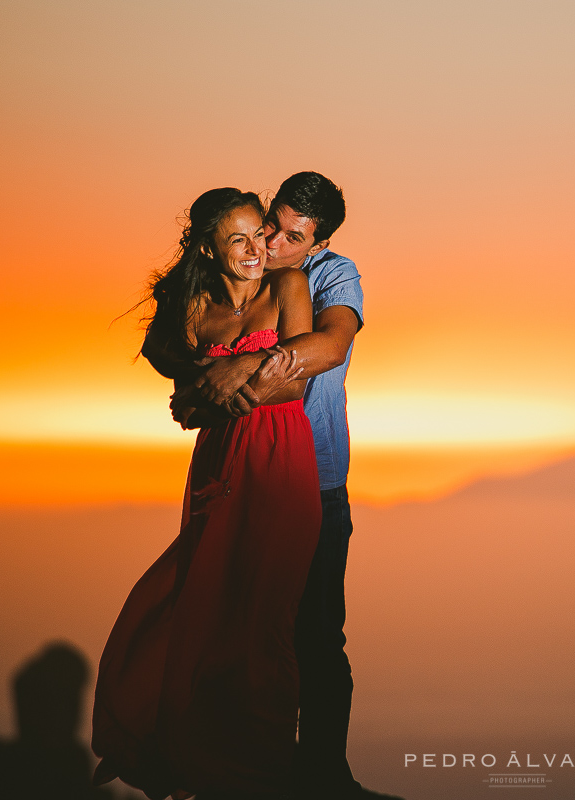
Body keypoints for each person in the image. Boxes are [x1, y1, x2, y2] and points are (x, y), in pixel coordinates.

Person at [92, 188, 320, 799]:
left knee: (266, 619)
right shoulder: (195, 309)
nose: (256, 250)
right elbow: (169, 373)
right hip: (218, 461)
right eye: (238, 240)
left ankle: (265, 773)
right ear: (208, 249)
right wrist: (199, 393)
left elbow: (295, 388)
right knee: (199, 603)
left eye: (260, 234)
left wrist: (225, 383)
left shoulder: (289, 285)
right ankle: (184, 754)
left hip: (281, 460)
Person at [183, 172, 373, 799]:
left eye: (295, 236)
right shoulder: (242, 268)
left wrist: (243, 369)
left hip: (316, 478)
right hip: (242, 474)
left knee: (316, 634)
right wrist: (194, 382)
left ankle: (324, 775)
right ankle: (246, 768)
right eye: (273, 226)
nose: (277, 242)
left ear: (316, 244)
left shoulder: (330, 275)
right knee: (233, 625)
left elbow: (331, 344)